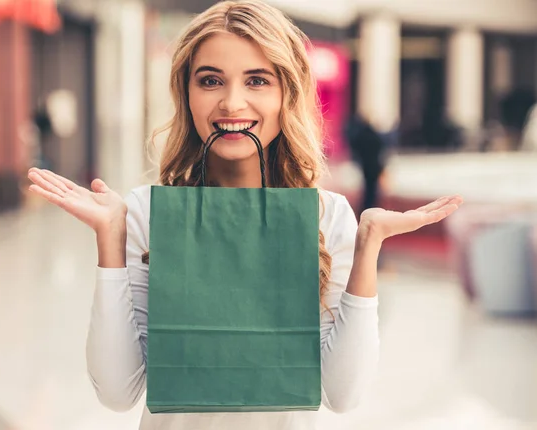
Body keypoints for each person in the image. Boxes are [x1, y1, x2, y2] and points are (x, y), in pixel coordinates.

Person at [26, 1, 463, 428]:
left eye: (257, 81)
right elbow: (117, 393)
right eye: (211, 80)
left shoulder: (326, 217)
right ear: (187, 93)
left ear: (286, 94)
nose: (232, 103)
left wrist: (368, 246)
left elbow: (342, 395)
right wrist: (111, 240)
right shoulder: (146, 212)